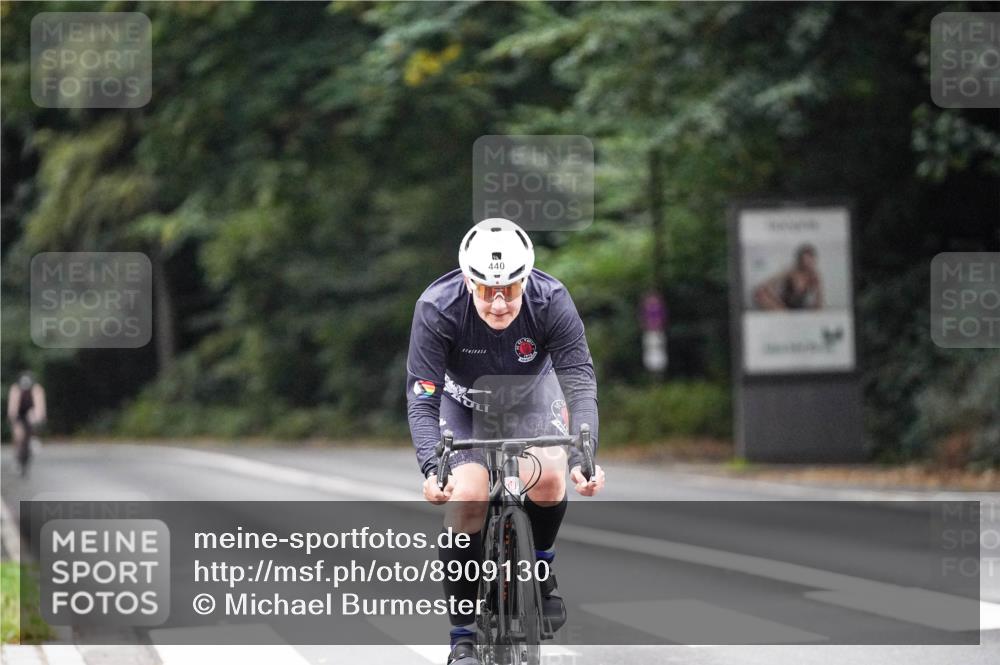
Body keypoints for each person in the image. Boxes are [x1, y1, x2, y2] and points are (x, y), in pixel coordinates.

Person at [406, 218, 606, 665]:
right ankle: (462, 637)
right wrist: (430, 469)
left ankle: (542, 569)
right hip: (464, 404)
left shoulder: (551, 300)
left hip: (533, 397)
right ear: (467, 280)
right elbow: (422, 399)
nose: (498, 304)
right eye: (485, 291)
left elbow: (579, 382)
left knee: (552, 478)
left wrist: (584, 457)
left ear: (526, 278)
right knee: (470, 497)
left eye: (510, 290)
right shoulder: (437, 308)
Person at [752, 243, 824, 310]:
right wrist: (778, 301)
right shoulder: (790, 271)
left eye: (810, 260)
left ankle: (787, 315)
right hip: (784, 307)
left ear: (813, 260)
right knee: (759, 292)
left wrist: (814, 309)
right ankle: (784, 314)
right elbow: (768, 284)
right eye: (804, 260)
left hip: (800, 308)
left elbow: (819, 300)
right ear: (800, 260)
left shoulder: (814, 276)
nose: (807, 263)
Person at [7, 372, 46, 476]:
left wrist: (38, 418)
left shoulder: (37, 389)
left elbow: (40, 406)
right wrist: (14, 421)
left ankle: (33, 439)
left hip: (30, 414)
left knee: (31, 427)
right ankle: (17, 456)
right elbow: (13, 407)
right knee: (19, 436)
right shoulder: (15, 389)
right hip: (19, 415)